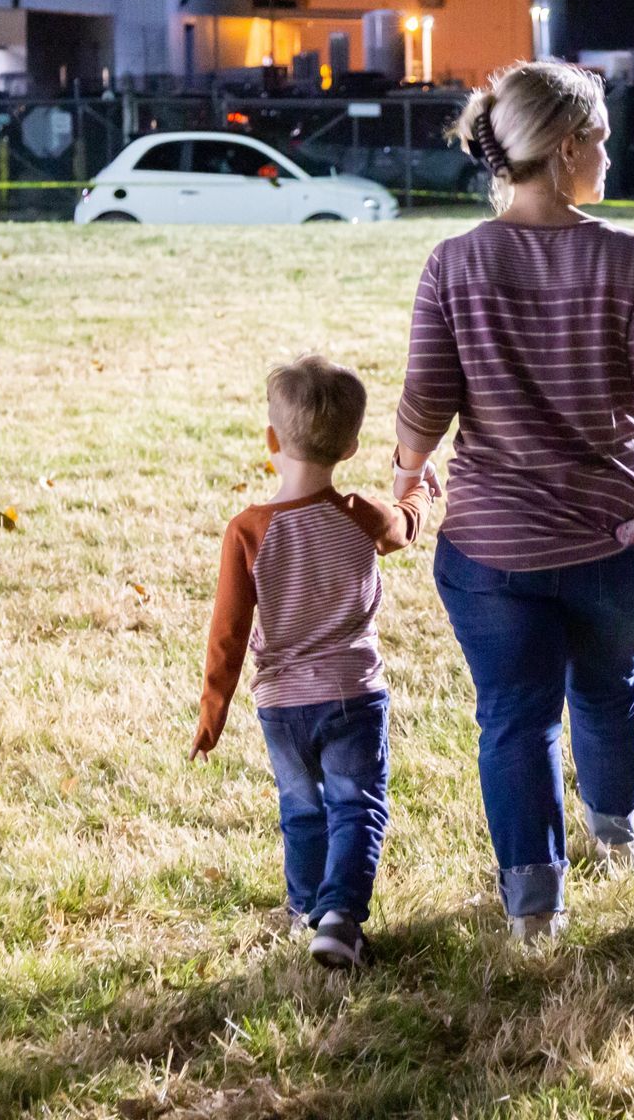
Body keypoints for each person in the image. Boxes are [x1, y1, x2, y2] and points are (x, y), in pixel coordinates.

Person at [394, 60, 634, 943]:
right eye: (602, 139)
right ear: (568, 147)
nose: (610, 154)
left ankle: (534, 905)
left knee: (513, 717)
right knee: (610, 687)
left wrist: (406, 477)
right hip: (613, 546)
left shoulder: (453, 264)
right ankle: (617, 825)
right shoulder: (624, 256)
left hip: (491, 554)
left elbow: (426, 396)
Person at [192, 355, 435, 969]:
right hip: (354, 693)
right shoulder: (359, 514)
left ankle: (305, 907)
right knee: (356, 805)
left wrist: (213, 709)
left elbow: (227, 633)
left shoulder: (247, 530)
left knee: (301, 807)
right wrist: (421, 494)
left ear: (272, 440)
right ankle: (339, 917)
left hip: (280, 705)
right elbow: (405, 526)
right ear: (351, 447)